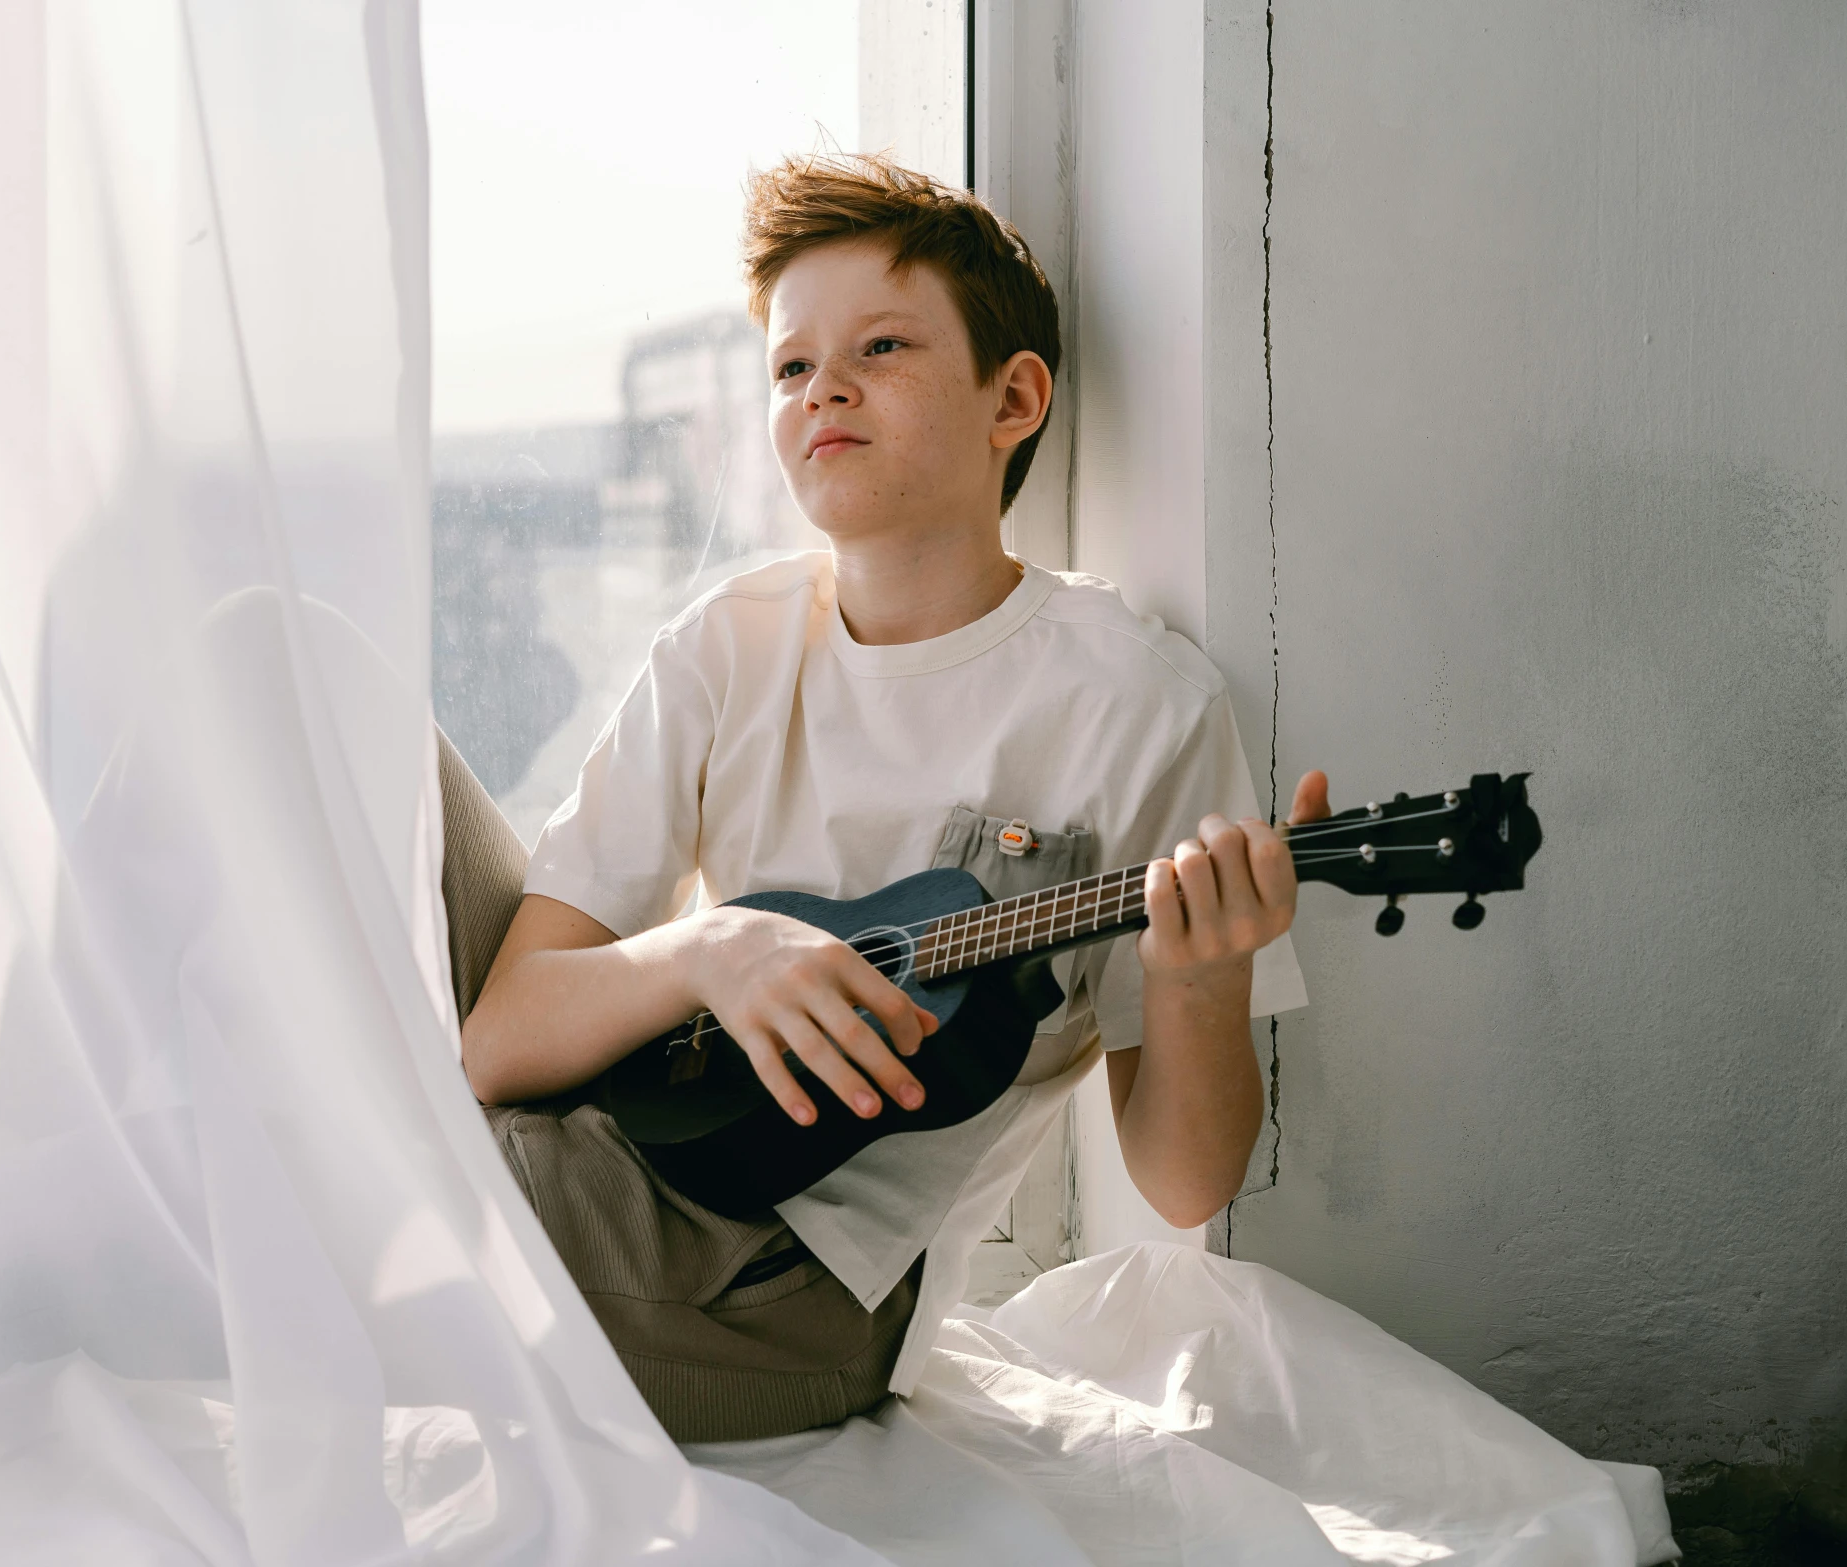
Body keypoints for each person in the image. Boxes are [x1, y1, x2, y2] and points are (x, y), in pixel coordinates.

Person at [460, 152, 1329, 1443]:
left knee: (330, 1172)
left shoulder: (1135, 700)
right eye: (793, 366)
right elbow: (500, 1041)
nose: (826, 390)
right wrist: (716, 948)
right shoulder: (729, 645)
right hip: (609, 1139)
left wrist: (1200, 980)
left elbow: (1186, 1176)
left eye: (881, 346)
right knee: (288, 670)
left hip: (778, 1287)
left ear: (1013, 398)